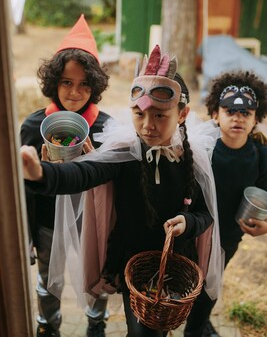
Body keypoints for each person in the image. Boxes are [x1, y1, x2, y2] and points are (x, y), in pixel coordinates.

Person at [21, 45, 223, 337]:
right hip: (133, 267)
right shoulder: (124, 153)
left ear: (182, 114)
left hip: (176, 263)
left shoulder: (190, 159)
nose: (147, 125)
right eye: (139, 114)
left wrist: (188, 222)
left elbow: (205, 214)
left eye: (160, 116)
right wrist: (41, 174)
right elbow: (84, 172)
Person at [20, 14, 111, 337]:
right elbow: (23, 190)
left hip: (91, 221)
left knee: (97, 274)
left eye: (85, 84)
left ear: (96, 86)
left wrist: (92, 162)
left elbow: (114, 183)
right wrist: (27, 235)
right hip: (47, 221)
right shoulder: (33, 128)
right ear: (53, 82)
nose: (75, 92)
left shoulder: (106, 129)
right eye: (67, 83)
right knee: (49, 276)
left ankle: (96, 323)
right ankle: (49, 324)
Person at [184, 70, 267, 337]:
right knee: (186, 282)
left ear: (256, 118)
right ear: (215, 114)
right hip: (194, 231)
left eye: (246, 113)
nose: (237, 118)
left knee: (212, 286)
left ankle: (196, 328)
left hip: (229, 236)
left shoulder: (261, 154)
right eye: (230, 110)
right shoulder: (202, 147)